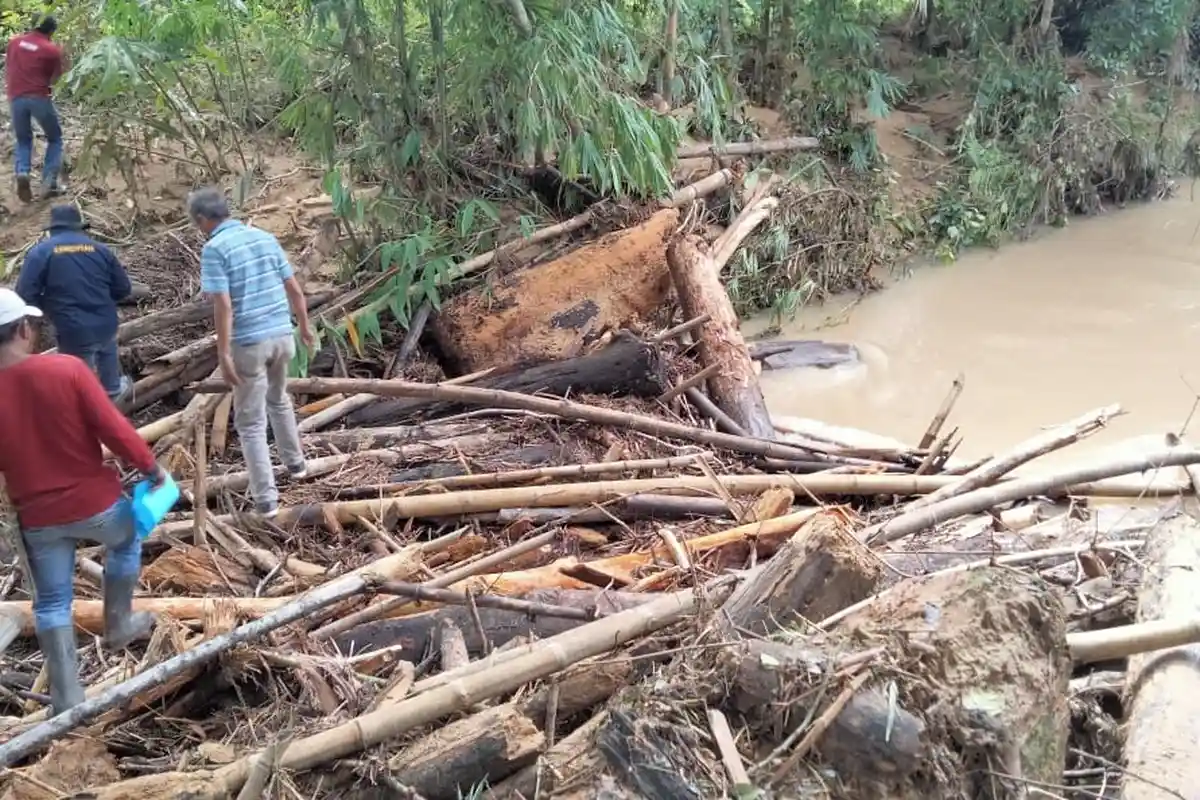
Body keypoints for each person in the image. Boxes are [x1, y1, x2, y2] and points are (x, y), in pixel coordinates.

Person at [0, 287, 168, 716]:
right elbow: (114, 429)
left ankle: (66, 703)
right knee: (127, 538)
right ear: (23, 329)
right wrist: (151, 468)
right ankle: (118, 624)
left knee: (52, 604)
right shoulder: (67, 370)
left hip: (37, 518)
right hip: (97, 506)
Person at [189, 187, 313, 518]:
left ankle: (266, 500)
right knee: (279, 399)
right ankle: (297, 465)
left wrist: (224, 352)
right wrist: (303, 325)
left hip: (250, 343)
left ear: (203, 220)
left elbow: (224, 304)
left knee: (250, 422)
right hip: (282, 336)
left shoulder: (215, 249)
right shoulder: (263, 237)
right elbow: (294, 288)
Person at [17, 204, 133, 402]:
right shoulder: (102, 250)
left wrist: (46, 307)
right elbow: (123, 289)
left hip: (72, 327)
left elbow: (24, 294)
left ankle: (87, 409)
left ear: (51, 230)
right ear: (79, 228)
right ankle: (112, 395)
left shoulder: (41, 252)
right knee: (110, 381)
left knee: (80, 385)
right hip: (106, 322)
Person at [5, 15, 65, 202]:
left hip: (16, 97)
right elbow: (55, 79)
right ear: (51, 31)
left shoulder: (14, 43)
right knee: (55, 138)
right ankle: (49, 181)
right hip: (38, 97)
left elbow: (9, 68)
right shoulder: (51, 50)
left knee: (23, 139)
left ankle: (22, 171)